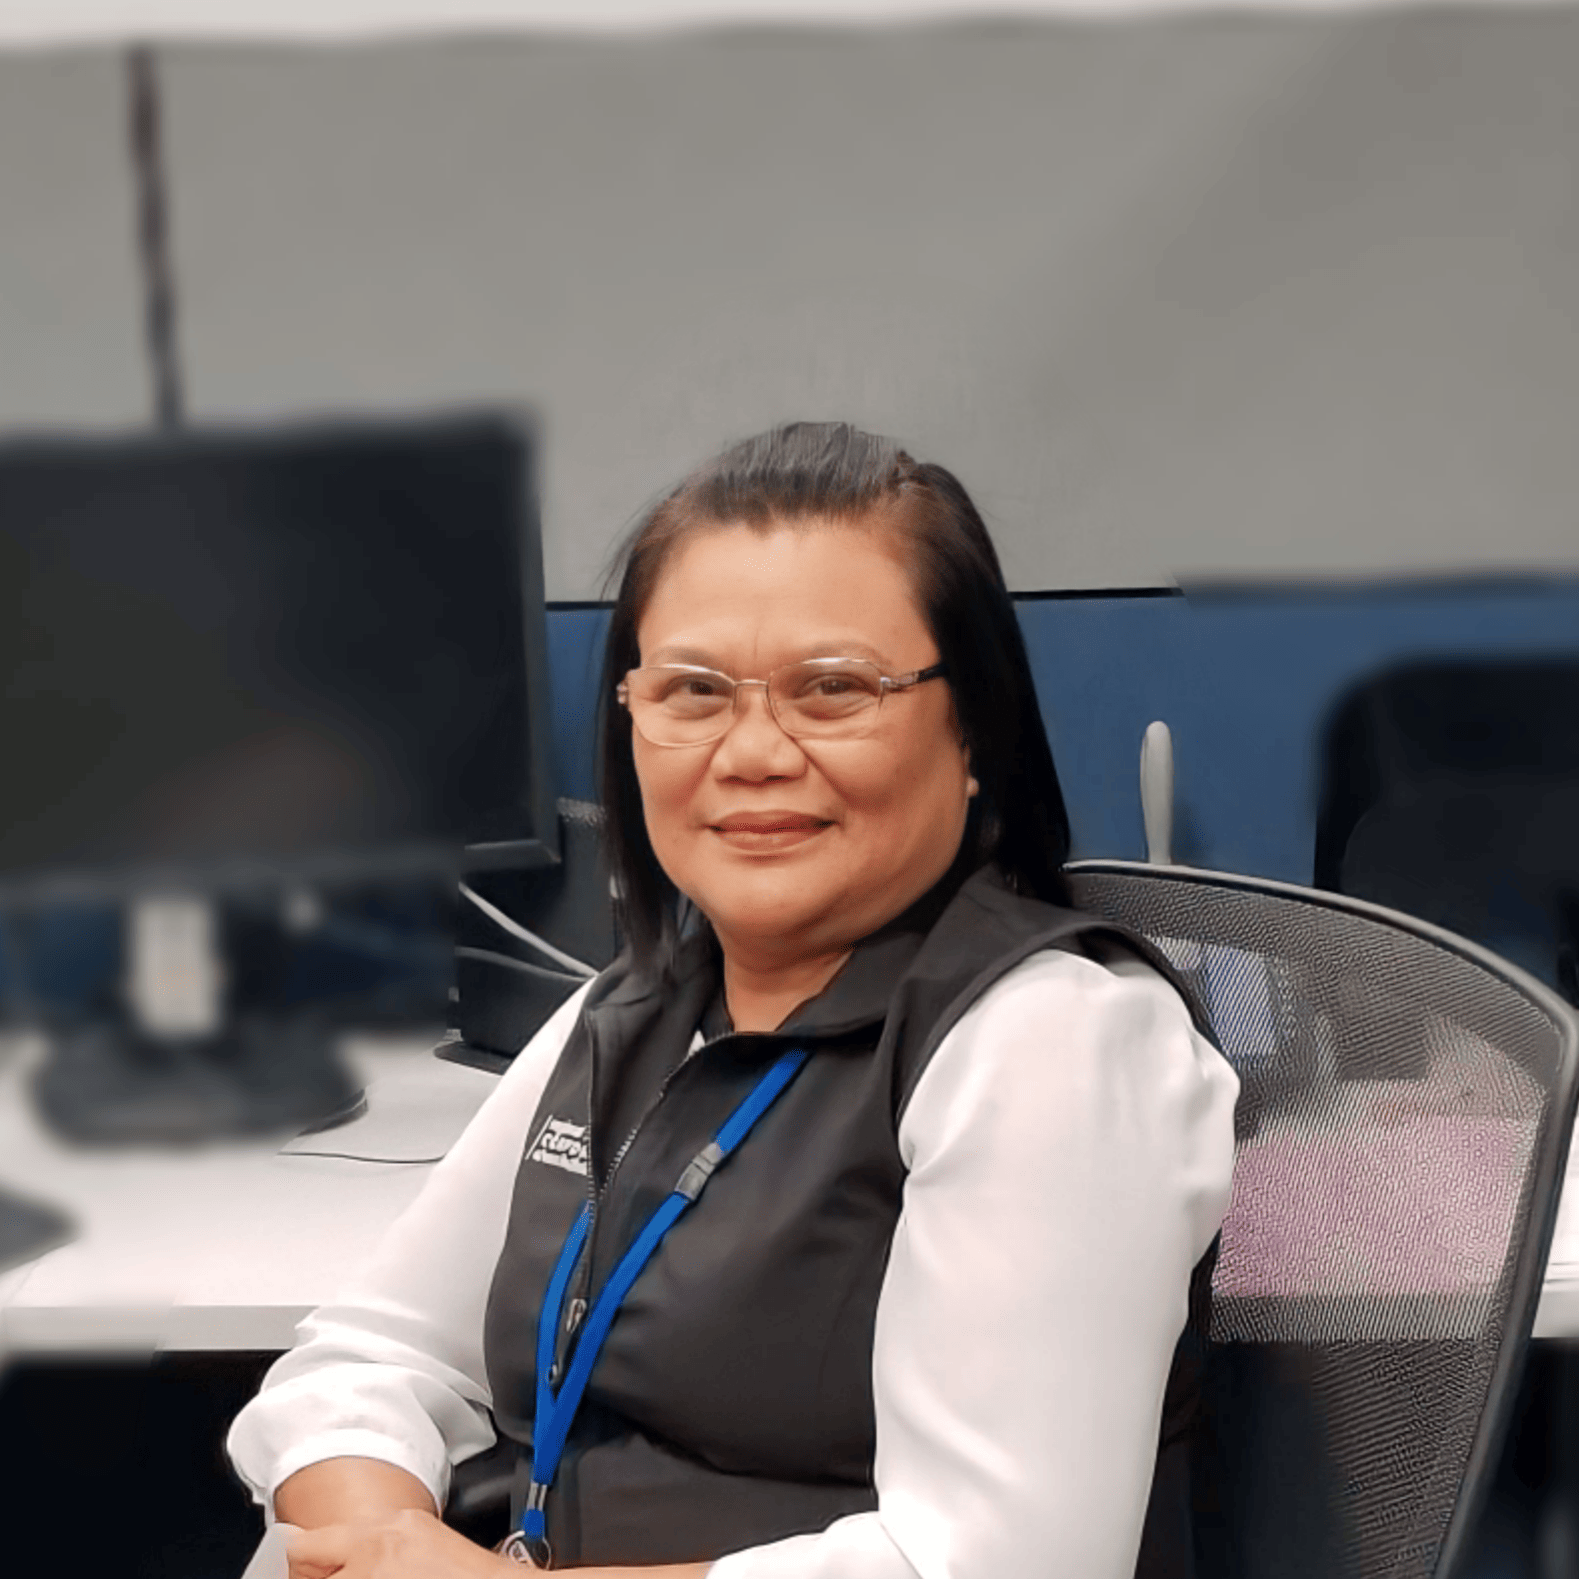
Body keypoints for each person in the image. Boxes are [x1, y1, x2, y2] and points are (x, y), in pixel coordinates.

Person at [228, 422, 1239, 1578]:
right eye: (693, 690)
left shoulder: (1050, 1042)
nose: (752, 751)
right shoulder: (632, 1012)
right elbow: (362, 1360)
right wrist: (374, 1541)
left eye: (834, 688)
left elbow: (992, 1562)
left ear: (973, 731)